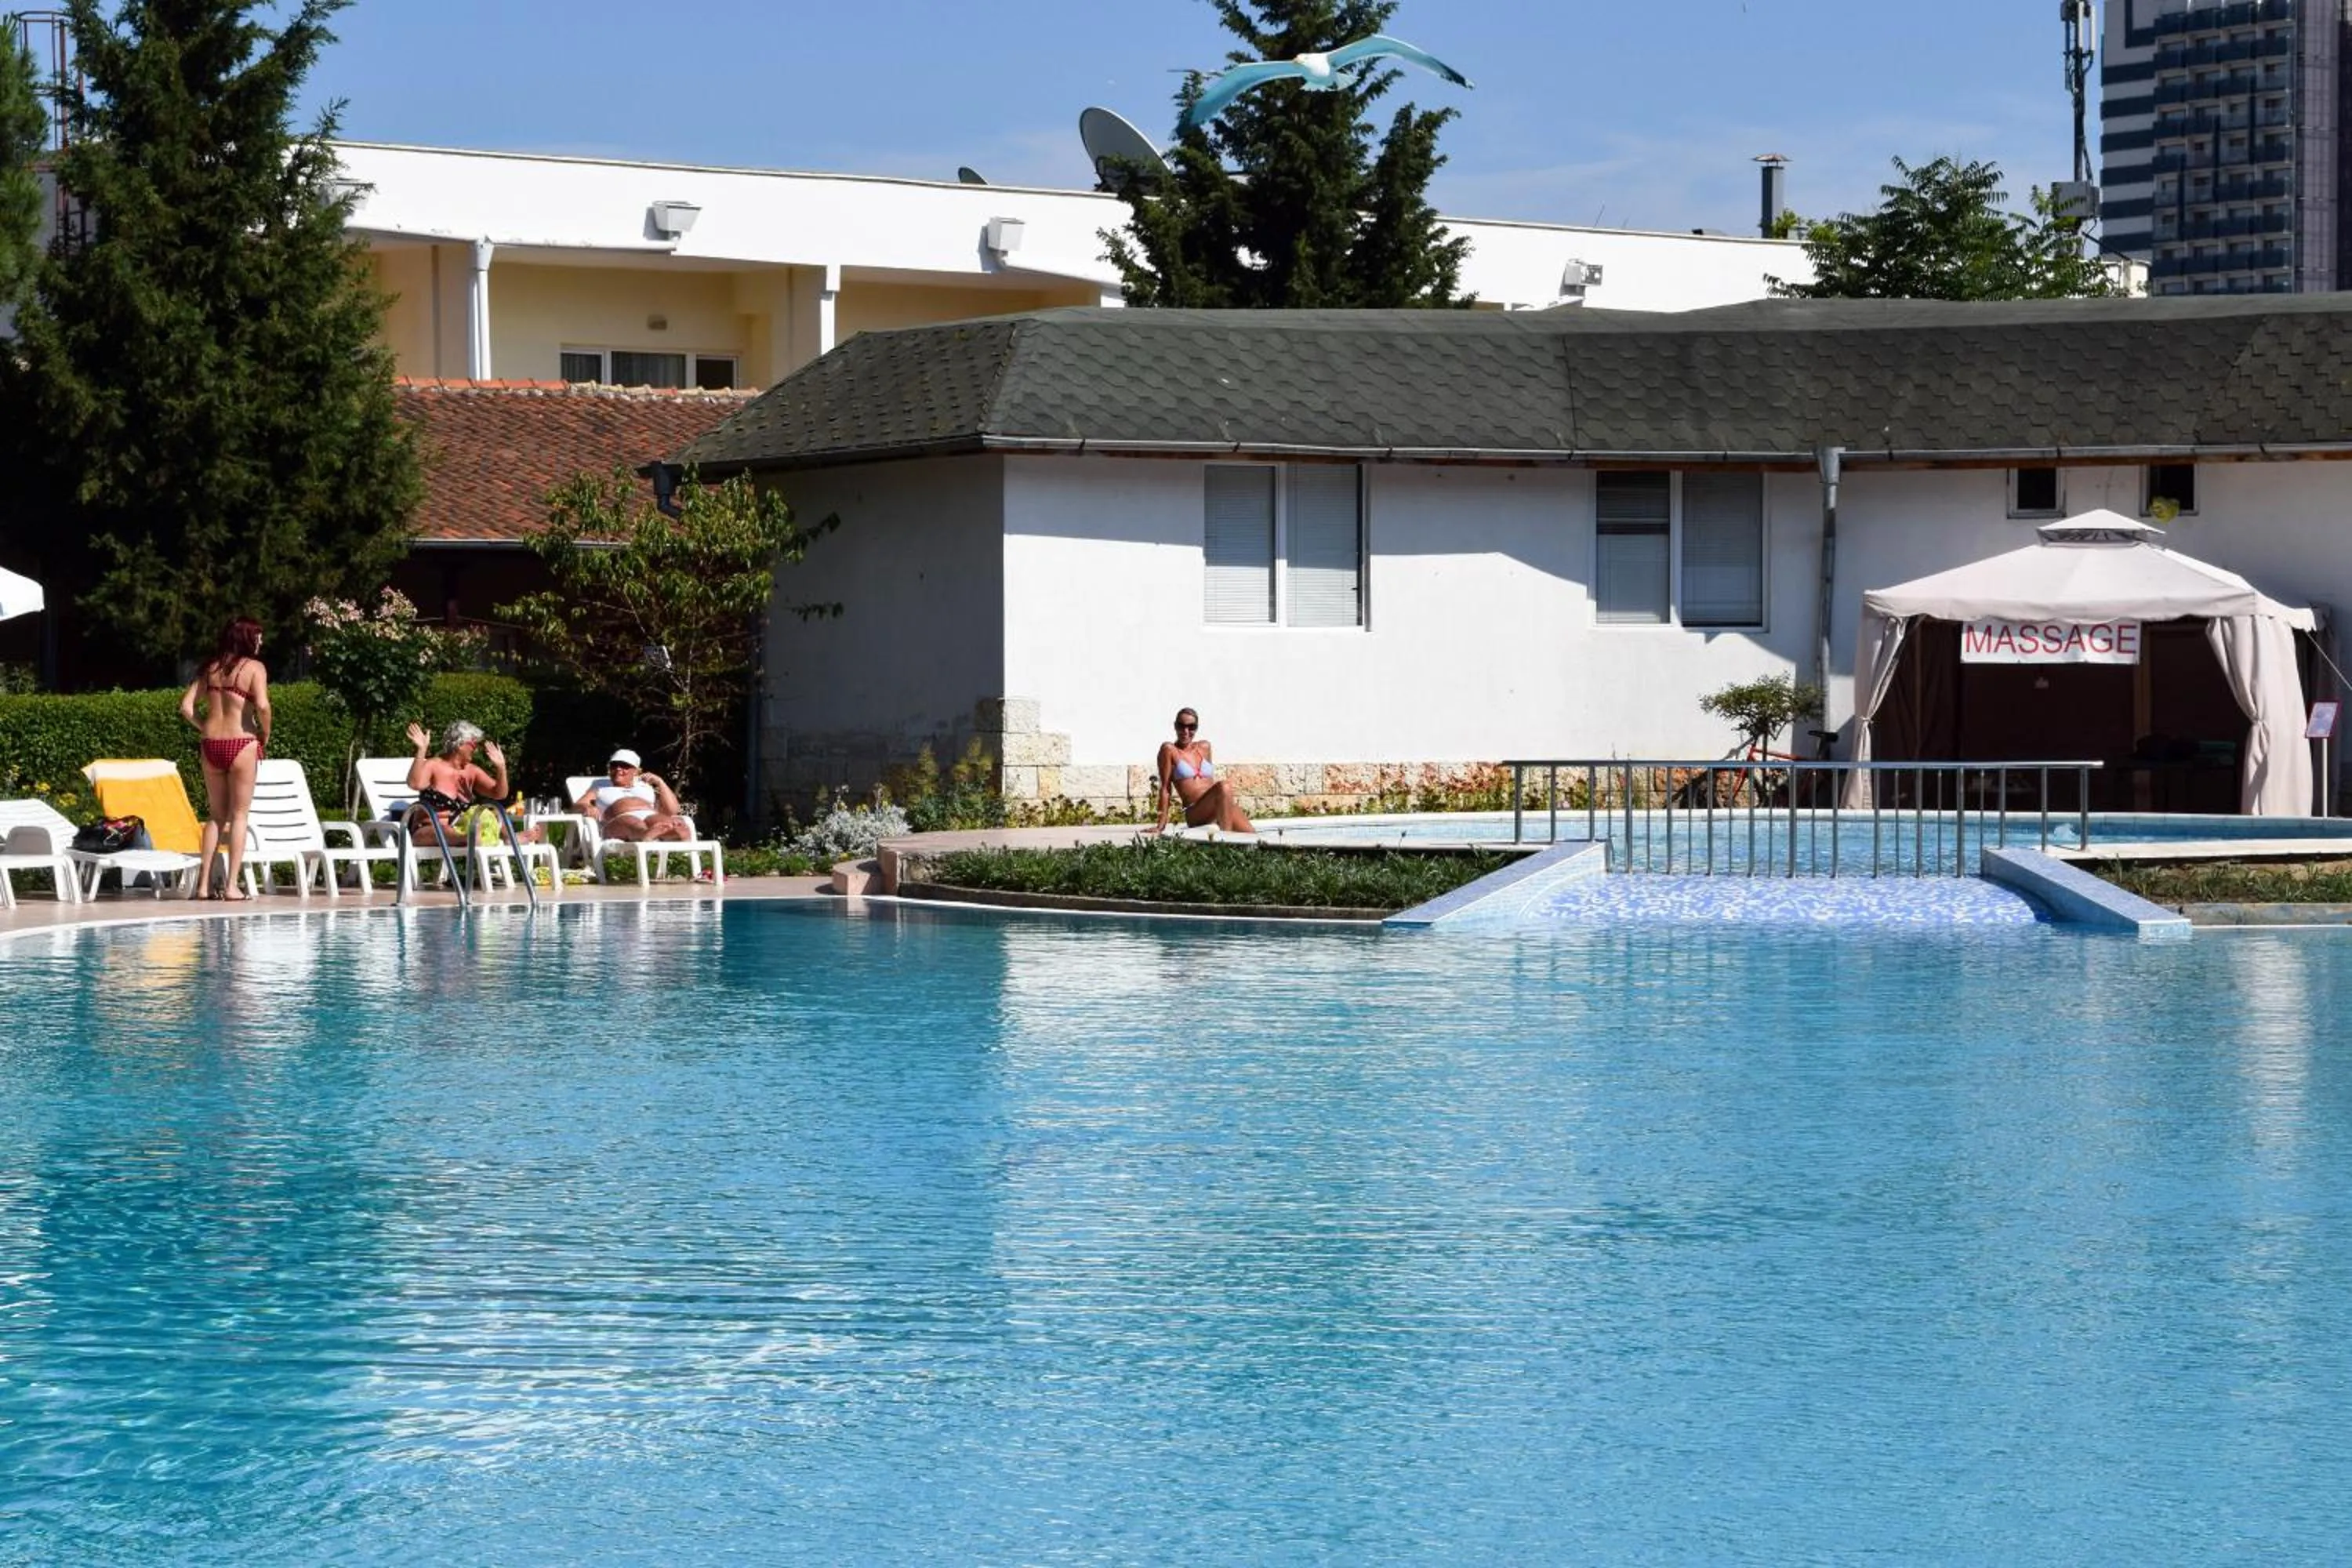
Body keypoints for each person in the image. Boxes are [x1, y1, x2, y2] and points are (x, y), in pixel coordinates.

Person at [178, 615, 271, 900]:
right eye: (258, 636)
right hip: (241, 742)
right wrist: (264, 735)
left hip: (211, 745)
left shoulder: (211, 667)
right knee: (240, 815)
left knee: (215, 816)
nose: (261, 641)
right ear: (246, 638)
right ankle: (231, 886)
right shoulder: (254, 667)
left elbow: (186, 707)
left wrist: (205, 726)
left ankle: (203, 886)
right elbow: (264, 707)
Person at [403, 720, 527, 846]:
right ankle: (468, 838)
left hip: (461, 827)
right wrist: (421, 749)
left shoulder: (472, 771)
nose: (476, 750)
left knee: (489, 812)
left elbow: (500, 794)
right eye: (474, 744)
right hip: (427, 830)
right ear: (460, 744)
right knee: (444, 830)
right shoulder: (434, 765)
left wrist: (501, 768)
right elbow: (415, 784)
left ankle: (509, 838)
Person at [1156, 706, 1254, 834]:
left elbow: (1209, 783)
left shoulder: (1204, 747)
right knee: (1224, 786)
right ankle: (1227, 840)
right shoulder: (1169, 750)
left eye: (1191, 727)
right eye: (1181, 726)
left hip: (1215, 805)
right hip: (1195, 811)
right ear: (1175, 726)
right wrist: (1161, 825)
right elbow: (1165, 789)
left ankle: (1226, 829)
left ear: (1196, 728)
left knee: (1253, 838)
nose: (1186, 731)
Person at [573, 748, 693, 843]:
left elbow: (673, 810)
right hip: (616, 822)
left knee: (667, 821)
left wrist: (660, 782)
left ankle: (676, 835)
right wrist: (587, 807)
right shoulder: (600, 787)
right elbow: (577, 806)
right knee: (631, 821)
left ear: (636, 771)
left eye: (625, 766)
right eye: (614, 765)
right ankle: (646, 835)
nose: (618, 769)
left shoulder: (645, 787)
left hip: (649, 816)